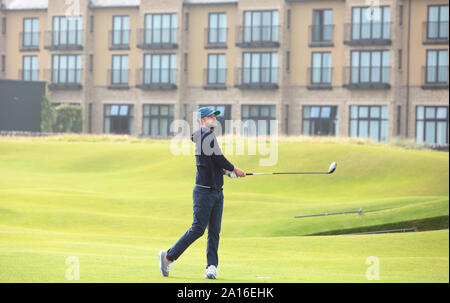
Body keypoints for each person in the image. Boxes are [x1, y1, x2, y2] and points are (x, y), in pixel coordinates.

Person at [158, 107, 246, 279]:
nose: (214, 118)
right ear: (202, 120)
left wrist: (227, 173)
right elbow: (219, 158)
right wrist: (235, 169)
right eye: (210, 116)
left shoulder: (204, 137)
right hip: (204, 193)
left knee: (214, 231)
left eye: (215, 116)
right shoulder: (206, 136)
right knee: (198, 229)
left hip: (216, 192)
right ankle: (168, 257)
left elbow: (212, 162)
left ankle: (211, 267)